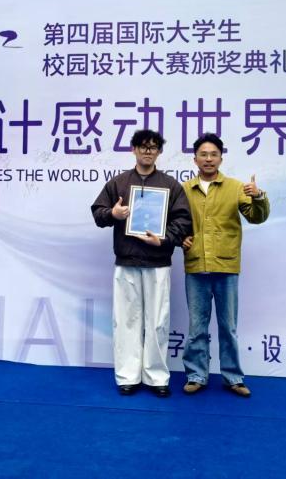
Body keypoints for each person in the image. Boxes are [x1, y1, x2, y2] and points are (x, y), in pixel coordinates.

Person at [91, 129, 192, 397]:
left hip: (158, 263)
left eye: (153, 147)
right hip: (126, 261)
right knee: (126, 321)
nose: (148, 151)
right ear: (133, 150)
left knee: (158, 321)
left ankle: (157, 377)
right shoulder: (119, 183)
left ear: (159, 152)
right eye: (143, 147)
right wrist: (113, 213)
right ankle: (128, 376)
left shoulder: (171, 186)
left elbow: (183, 221)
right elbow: (98, 213)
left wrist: (164, 239)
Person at [181, 133, 270, 397]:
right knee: (197, 327)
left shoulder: (236, 188)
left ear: (221, 158)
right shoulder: (184, 190)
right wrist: (179, 238)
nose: (208, 159)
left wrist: (258, 197)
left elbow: (256, 217)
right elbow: (174, 222)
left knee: (228, 327)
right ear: (195, 159)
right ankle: (196, 375)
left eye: (214, 154)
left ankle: (233, 377)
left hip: (226, 267)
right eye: (203, 154)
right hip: (196, 266)